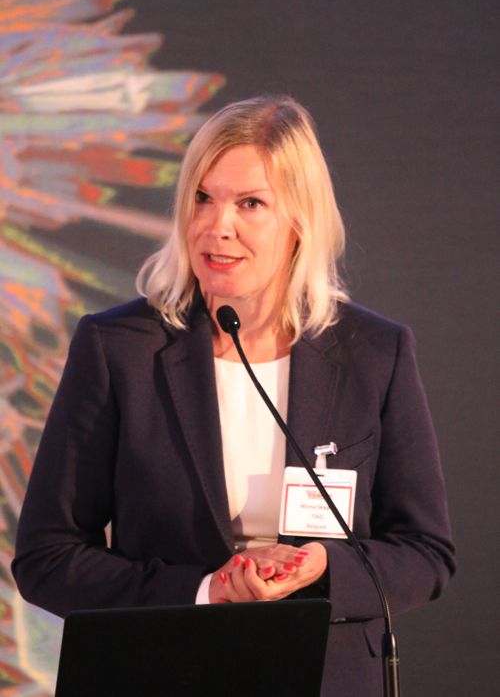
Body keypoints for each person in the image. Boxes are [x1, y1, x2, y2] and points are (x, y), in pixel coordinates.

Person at [13, 95, 455, 696]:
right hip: (162, 673)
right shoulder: (118, 349)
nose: (217, 225)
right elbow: (47, 557)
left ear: (300, 221)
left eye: (250, 203)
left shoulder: (375, 354)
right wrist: (204, 591)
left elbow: (425, 551)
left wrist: (324, 568)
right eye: (202, 198)